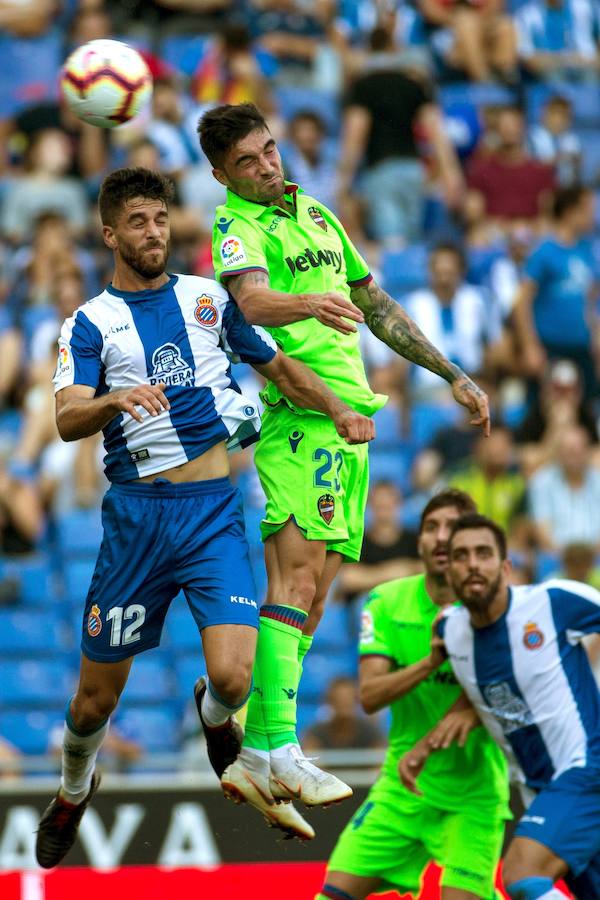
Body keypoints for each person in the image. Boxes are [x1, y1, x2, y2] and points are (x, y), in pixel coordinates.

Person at [34, 166, 376, 867]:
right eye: (137, 222)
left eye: (160, 219)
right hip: (138, 519)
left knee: (233, 679)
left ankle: (220, 722)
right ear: (110, 234)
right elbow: (67, 416)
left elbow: (278, 369)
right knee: (95, 701)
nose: (154, 232)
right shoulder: (90, 322)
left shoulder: (207, 300)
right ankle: (73, 789)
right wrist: (114, 402)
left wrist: (339, 408)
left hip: (214, 512)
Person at [197, 102, 490, 828]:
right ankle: (281, 747)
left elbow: (375, 301)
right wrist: (309, 304)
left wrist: (448, 370)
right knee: (292, 583)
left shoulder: (318, 214)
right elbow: (251, 303)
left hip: (350, 431)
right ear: (219, 175)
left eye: (269, 151)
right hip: (302, 420)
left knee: (316, 599)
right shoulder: (238, 227)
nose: (266, 167)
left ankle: (259, 753)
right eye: (248, 163)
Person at [317, 490, 510, 900]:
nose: (441, 538)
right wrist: (430, 662)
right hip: (402, 786)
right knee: (331, 894)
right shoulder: (386, 601)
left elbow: (514, 684)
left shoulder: (494, 607)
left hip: (472, 795)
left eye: (452, 528)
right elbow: (369, 696)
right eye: (431, 528)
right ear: (418, 539)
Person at [400, 512, 600, 899]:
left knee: (522, 874)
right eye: (460, 556)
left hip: (586, 768)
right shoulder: (448, 631)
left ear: (505, 566)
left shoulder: (553, 601)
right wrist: (425, 746)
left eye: (483, 553)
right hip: (540, 793)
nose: (472, 563)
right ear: (449, 571)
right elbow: (479, 690)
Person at [512, 184, 599, 400]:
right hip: (550, 347)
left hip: (581, 347)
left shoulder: (586, 250)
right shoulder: (544, 252)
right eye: (587, 209)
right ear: (571, 212)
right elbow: (522, 303)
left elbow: (590, 299)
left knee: (587, 410)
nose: (593, 216)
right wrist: (530, 346)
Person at [302, 676, 384, 753]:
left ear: (356, 701)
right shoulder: (316, 733)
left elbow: (380, 762)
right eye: (339, 700)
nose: (344, 704)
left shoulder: (371, 732)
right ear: (330, 702)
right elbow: (308, 760)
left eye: (347, 700)